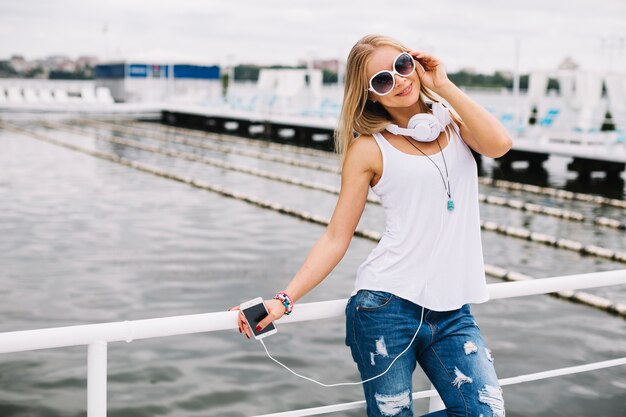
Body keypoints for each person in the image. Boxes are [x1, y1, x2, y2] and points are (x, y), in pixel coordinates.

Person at [231, 34, 512, 417]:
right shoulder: (368, 148)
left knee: (487, 412)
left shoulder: (453, 121)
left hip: (452, 310)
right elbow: (336, 236)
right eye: (382, 80)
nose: (398, 81)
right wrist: (284, 300)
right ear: (370, 96)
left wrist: (442, 85)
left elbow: (499, 144)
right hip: (386, 308)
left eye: (401, 66)